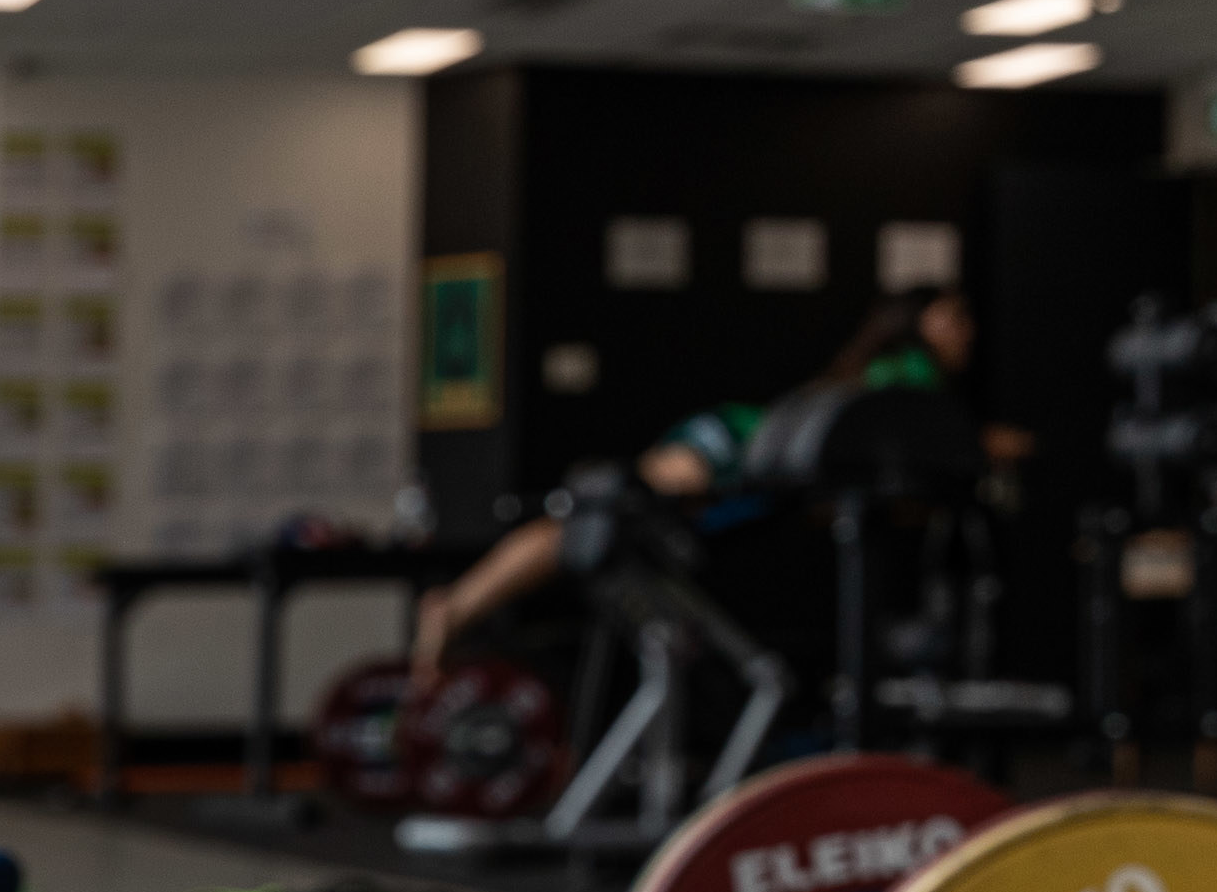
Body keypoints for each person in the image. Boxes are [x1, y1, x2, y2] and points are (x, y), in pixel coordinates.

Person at [409, 290, 981, 685]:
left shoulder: (895, 371)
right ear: (918, 321)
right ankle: (454, 606)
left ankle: (457, 604)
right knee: (609, 514)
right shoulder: (912, 372)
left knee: (607, 522)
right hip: (733, 445)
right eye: (951, 317)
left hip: (738, 453)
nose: (964, 331)